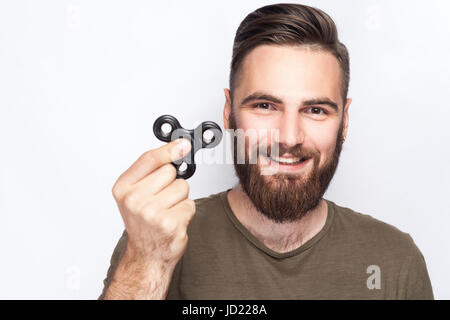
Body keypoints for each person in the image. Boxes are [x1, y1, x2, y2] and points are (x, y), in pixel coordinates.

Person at [99, 3, 433, 299]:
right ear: (229, 112)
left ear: (344, 121)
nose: (289, 137)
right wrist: (147, 261)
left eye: (315, 110)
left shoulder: (395, 261)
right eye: (265, 105)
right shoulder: (154, 236)